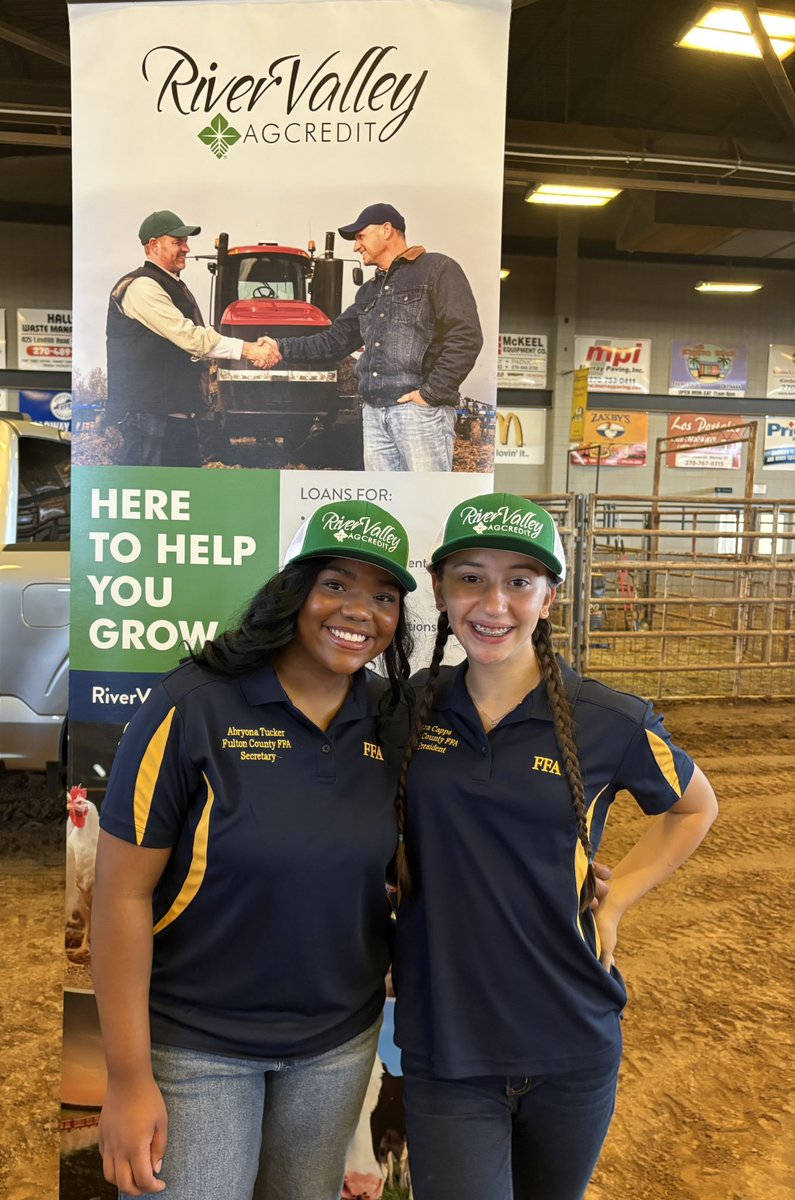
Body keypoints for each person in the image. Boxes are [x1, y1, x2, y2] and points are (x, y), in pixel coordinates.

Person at [392, 492, 718, 1200]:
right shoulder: (409, 706)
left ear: (549, 598)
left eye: (519, 581)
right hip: (448, 1044)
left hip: (572, 1040)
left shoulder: (610, 720)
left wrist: (616, 898)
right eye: (471, 578)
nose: (494, 603)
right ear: (441, 591)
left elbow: (695, 807)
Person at [90, 498, 417, 1200]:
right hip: (194, 1045)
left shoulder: (393, 719)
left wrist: (559, 872)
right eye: (335, 584)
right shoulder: (193, 705)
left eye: (383, 596)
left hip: (337, 1046)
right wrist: (127, 1078)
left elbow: (438, 842)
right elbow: (120, 893)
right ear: (291, 591)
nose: (358, 610)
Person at [257, 202, 483, 472]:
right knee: (383, 499)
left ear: (387, 230)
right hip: (374, 416)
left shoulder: (438, 269)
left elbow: (466, 336)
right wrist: (280, 346)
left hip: (419, 414)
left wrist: (430, 394)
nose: (356, 246)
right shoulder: (369, 292)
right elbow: (333, 342)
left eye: (360, 236)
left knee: (424, 496)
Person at [105, 209, 267, 467]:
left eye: (186, 241)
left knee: (185, 491)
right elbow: (190, 337)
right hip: (147, 420)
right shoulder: (141, 286)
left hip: (178, 420)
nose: (186, 249)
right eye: (177, 242)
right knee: (149, 489)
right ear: (154, 245)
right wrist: (249, 349)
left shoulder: (174, 286)